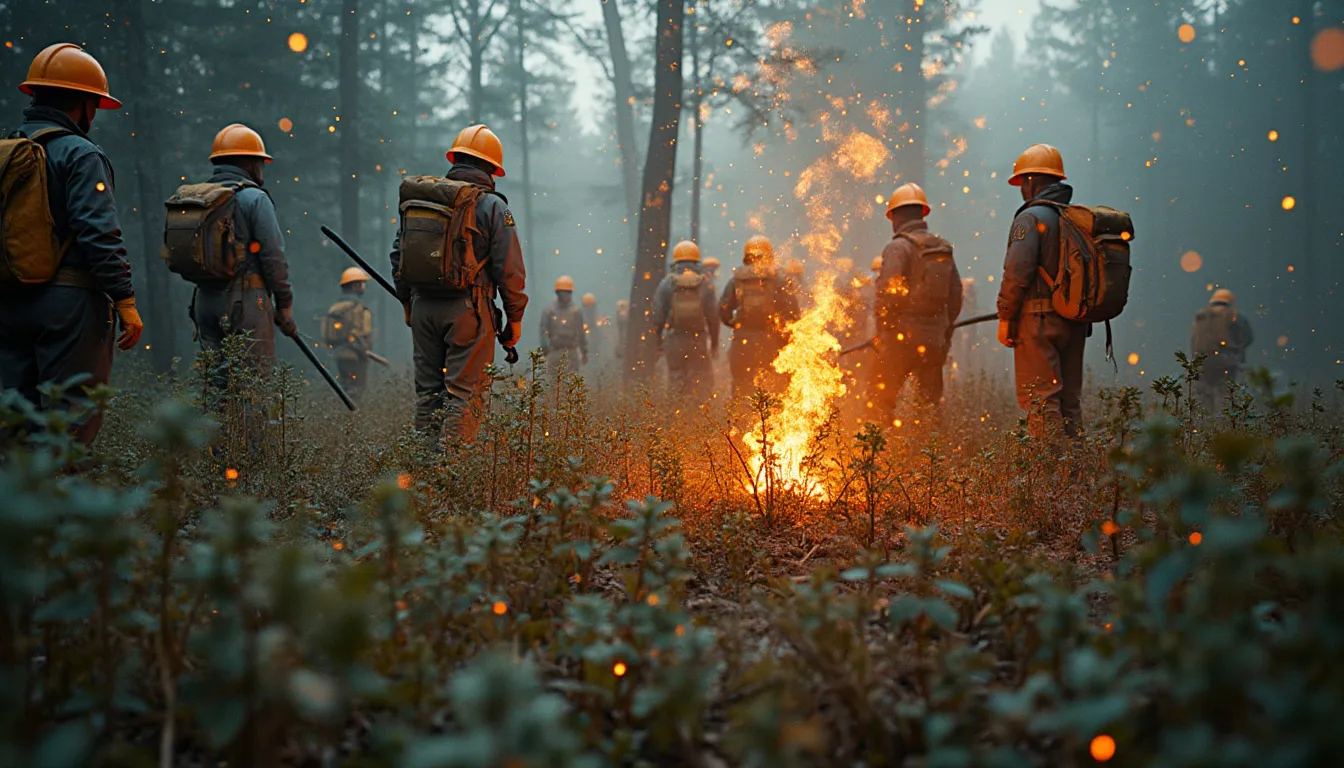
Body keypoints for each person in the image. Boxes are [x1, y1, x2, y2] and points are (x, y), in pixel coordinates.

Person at [0, 43, 141, 447]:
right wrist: (124, 300)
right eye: (93, 103)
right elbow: (99, 232)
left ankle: (22, 503)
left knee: (17, 417)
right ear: (81, 103)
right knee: (70, 422)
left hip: (9, 299)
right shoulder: (81, 154)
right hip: (69, 304)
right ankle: (65, 505)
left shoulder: (8, 151)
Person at [391, 124, 526, 446]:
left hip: (422, 307)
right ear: (492, 168)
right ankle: (452, 478)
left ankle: (420, 475)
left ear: (456, 159)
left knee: (427, 395)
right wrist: (514, 318)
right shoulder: (493, 206)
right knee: (463, 395)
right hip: (468, 311)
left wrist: (408, 303)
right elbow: (510, 269)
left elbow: (399, 256)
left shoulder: (423, 199)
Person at [995, 143, 1089, 439]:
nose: (1021, 188)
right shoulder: (1075, 218)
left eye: (1023, 181)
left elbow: (1017, 272)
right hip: (1074, 321)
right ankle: (1075, 476)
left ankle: (1050, 477)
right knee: (1069, 403)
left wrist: (1005, 317)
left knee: (1042, 399)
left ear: (1033, 181)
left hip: (1038, 323)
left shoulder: (1030, 218)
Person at [189, 123, 297, 368]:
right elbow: (274, 257)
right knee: (252, 384)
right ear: (248, 163)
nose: (261, 169)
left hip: (204, 301)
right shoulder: (255, 198)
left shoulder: (200, 199)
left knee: (215, 384)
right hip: (246, 301)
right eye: (258, 162)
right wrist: (284, 304)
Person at [871, 183, 962, 413]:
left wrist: (884, 332)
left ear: (894, 218)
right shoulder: (942, 247)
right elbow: (955, 296)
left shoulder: (898, 248)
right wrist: (944, 329)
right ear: (922, 213)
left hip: (900, 339)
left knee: (882, 400)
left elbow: (887, 296)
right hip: (933, 341)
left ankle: (882, 447)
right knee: (929, 405)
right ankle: (930, 447)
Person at [718, 235, 799, 399]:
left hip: (743, 342)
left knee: (741, 386)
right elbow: (793, 313)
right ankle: (767, 423)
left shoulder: (736, 279)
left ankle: (740, 421)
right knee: (773, 387)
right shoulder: (779, 278)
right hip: (771, 342)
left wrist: (736, 325)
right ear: (769, 255)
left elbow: (723, 310)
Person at [651, 241, 719, 400]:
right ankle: (699, 418)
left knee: (676, 380)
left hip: (675, 340)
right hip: (698, 340)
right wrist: (714, 343)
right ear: (697, 260)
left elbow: (657, 316)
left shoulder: (667, 283)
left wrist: (658, 342)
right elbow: (713, 317)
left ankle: (676, 419)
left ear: (675, 260)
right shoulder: (705, 283)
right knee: (701, 380)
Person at [1190, 288, 1253, 411]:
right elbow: (1248, 337)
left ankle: (1205, 427)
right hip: (1227, 362)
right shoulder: (1234, 315)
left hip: (1203, 363)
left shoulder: (1201, 316)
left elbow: (1194, 341)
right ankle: (1224, 426)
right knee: (1225, 398)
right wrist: (1237, 351)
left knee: (1205, 401)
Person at [324, 268, 375, 402]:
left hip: (339, 355)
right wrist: (364, 349)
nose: (364, 287)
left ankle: (342, 415)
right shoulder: (358, 308)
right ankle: (353, 418)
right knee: (357, 390)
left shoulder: (334, 308)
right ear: (355, 285)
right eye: (362, 283)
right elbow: (365, 333)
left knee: (344, 387)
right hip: (355, 356)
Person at [540, 276, 587, 367]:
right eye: (562, 293)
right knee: (553, 379)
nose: (565, 296)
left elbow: (581, 333)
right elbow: (543, 331)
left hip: (571, 351)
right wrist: (545, 350)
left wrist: (584, 352)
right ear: (557, 294)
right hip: (554, 351)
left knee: (572, 378)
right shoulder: (549, 311)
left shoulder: (575, 311)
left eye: (567, 293)